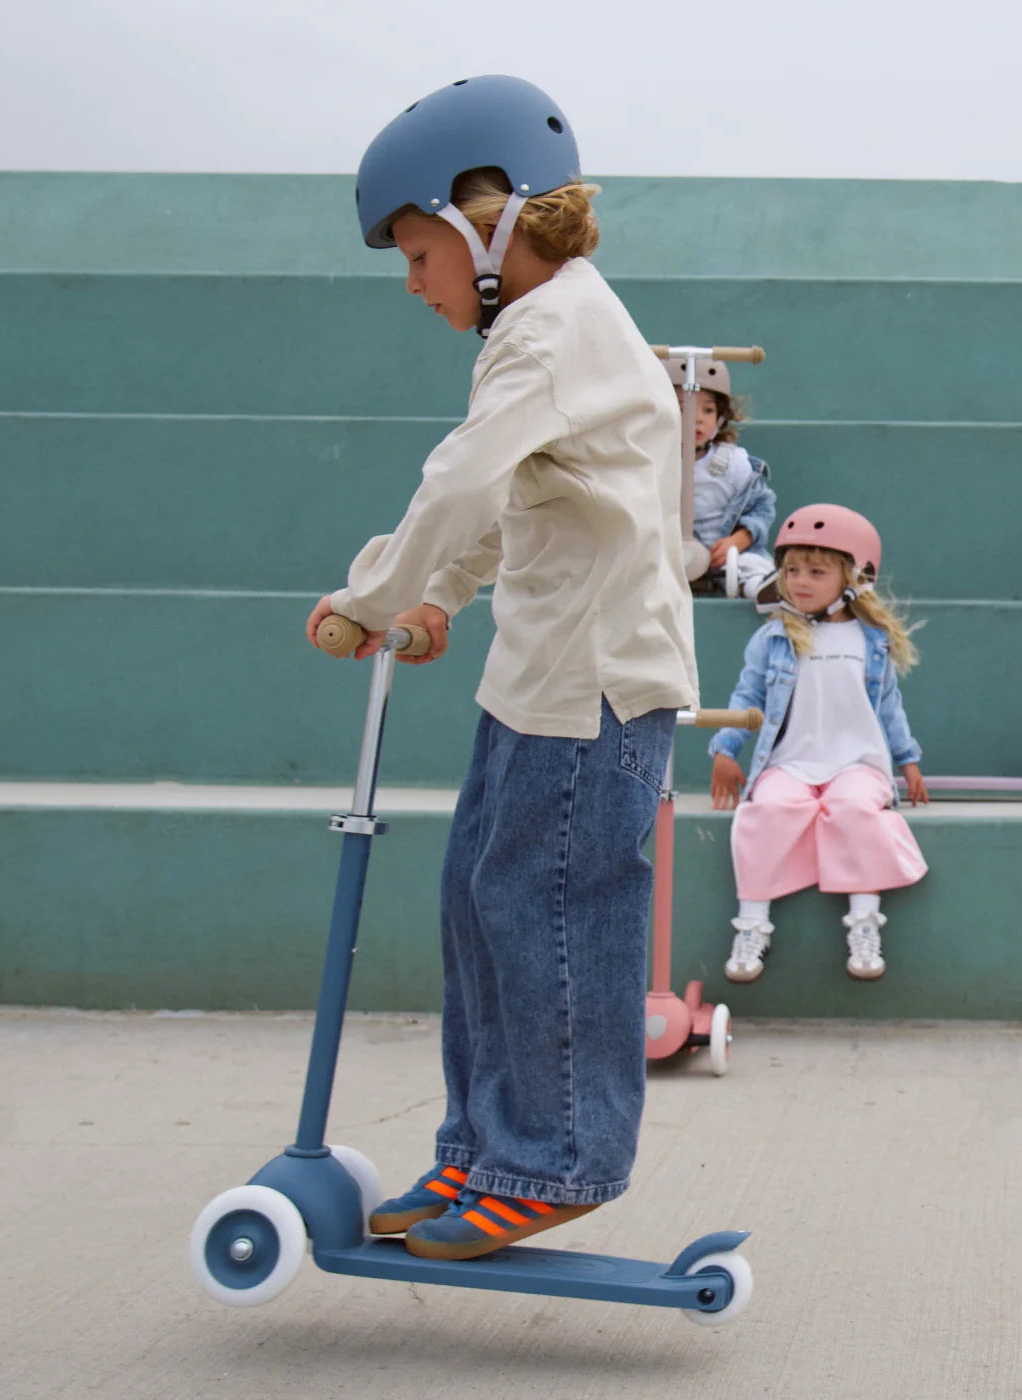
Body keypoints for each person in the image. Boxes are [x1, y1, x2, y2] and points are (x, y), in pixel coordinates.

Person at [304, 75, 696, 1261]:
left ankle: (555, 1156)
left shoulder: (554, 325)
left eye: (416, 253)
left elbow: (463, 477)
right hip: (537, 674)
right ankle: (481, 1147)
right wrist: (434, 600)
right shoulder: (538, 332)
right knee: (481, 902)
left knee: (547, 908)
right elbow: (511, 497)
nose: (413, 284)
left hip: (593, 685)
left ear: (489, 219)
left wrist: (367, 595)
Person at [707, 504, 927, 982]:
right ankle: (752, 925)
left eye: (816, 571)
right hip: (791, 764)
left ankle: (865, 924)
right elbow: (747, 698)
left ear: (854, 577)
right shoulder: (773, 639)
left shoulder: (871, 641)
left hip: (857, 765)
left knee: (856, 812)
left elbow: (888, 706)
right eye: (791, 570)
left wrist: (908, 760)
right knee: (766, 811)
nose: (800, 581)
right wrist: (725, 751)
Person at [662, 356, 775, 598]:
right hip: (666, 558)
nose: (697, 417)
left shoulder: (734, 463)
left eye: (708, 409)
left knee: (752, 566)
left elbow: (761, 508)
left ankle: (761, 589)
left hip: (720, 558)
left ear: (721, 417)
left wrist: (738, 541)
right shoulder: (653, 463)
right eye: (683, 409)